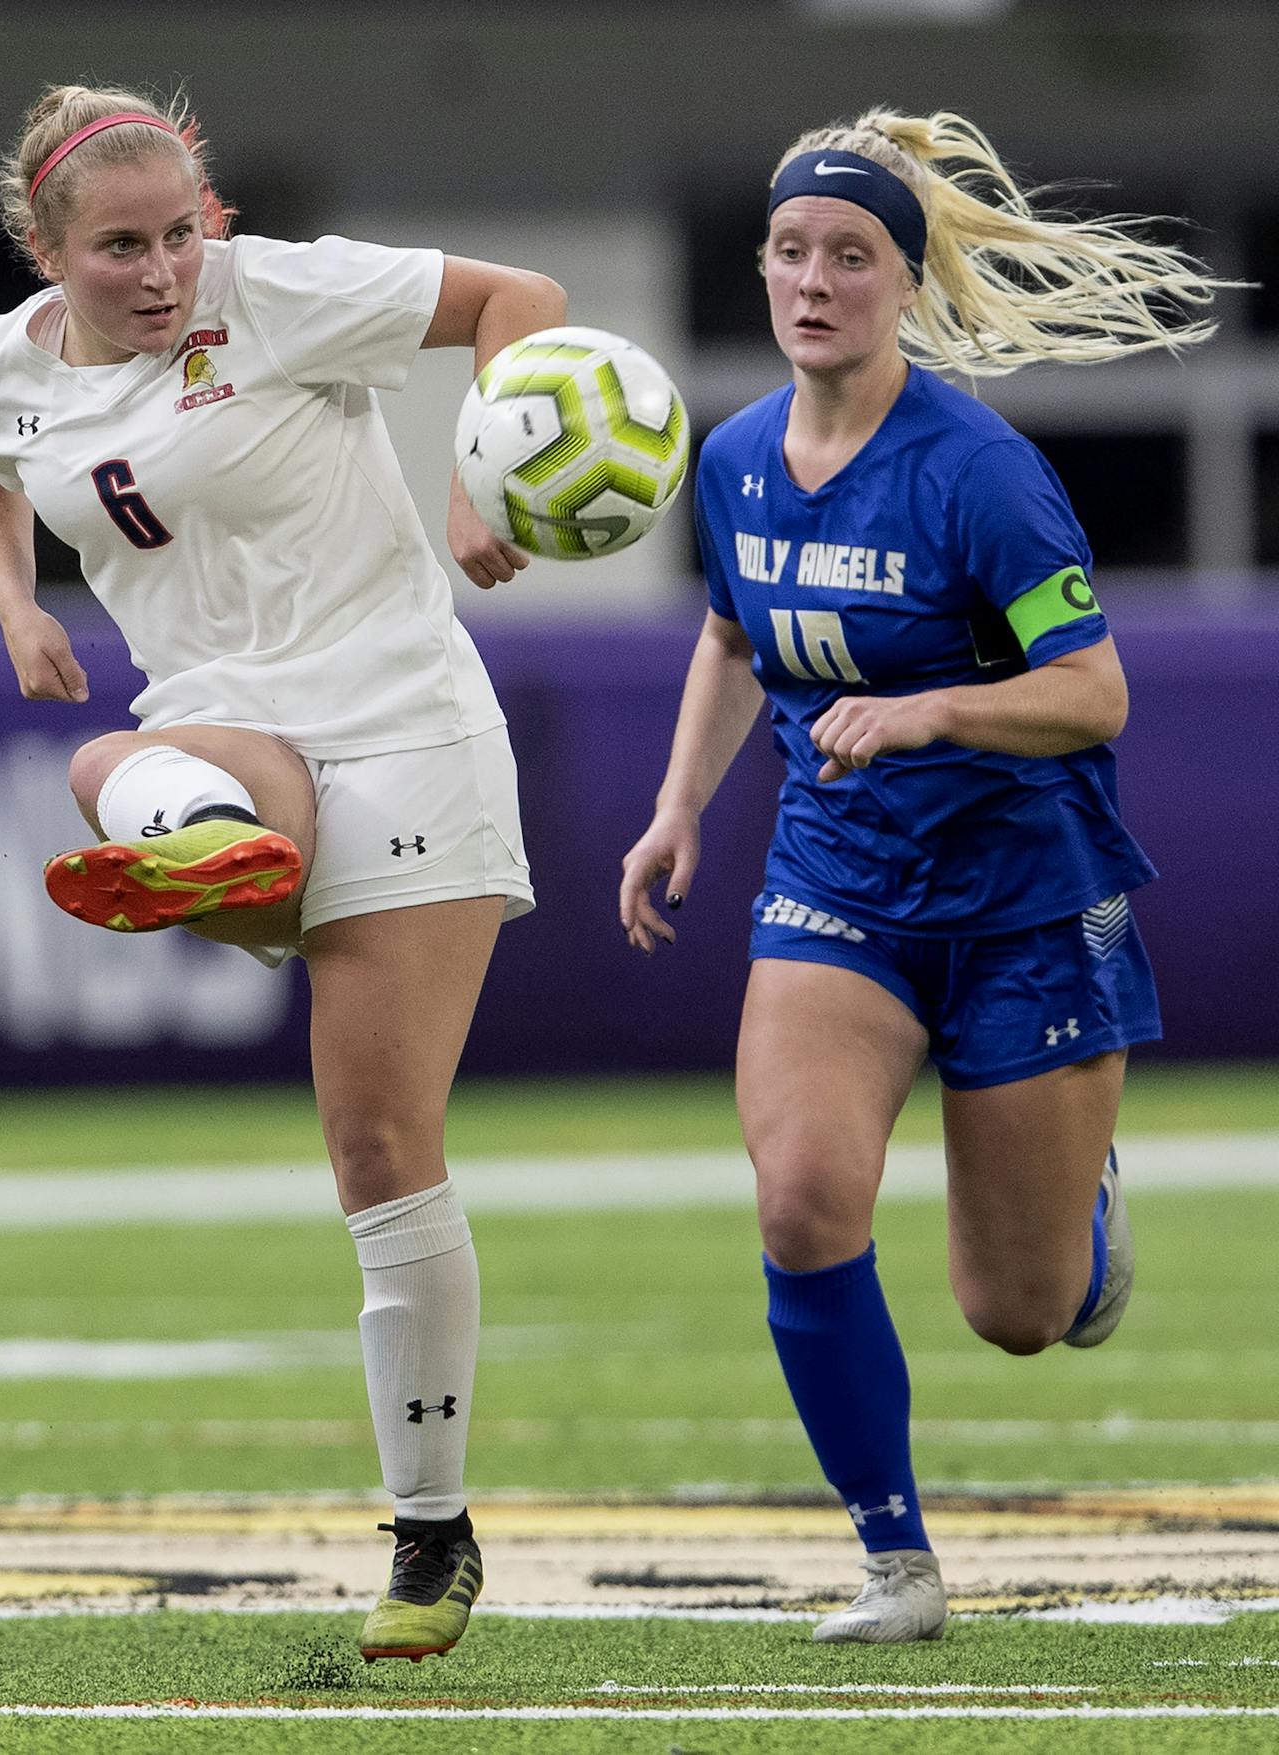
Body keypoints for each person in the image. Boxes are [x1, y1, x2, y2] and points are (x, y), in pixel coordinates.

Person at [0, 82, 566, 1664]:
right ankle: (211, 847)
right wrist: (16, 603)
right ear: (43, 249)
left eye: (178, 237)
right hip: (227, 731)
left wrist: (485, 473)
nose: (159, 274)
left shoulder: (273, 290)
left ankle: (431, 1537)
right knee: (106, 766)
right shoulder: (1, 364)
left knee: (374, 1143)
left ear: (210, 220)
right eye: (118, 250)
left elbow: (521, 301)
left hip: (409, 731)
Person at [620, 108, 1233, 1644]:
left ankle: (1081, 1213)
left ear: (904, 285)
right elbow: (727, 637)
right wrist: (678, 809)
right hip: (841, 889)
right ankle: (895, 1559)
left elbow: (1095, 692)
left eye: (851, 256)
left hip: (1028, 899)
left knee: (1018, 1317)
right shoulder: (738, 459)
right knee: (804, 1195)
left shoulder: (980, 471)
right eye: (790, 252)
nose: (814, 281)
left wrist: (936, 708)